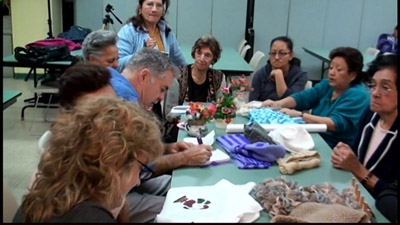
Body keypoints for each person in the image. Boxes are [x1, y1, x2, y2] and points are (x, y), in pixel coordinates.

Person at [13, 97, 165, 222]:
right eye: (139, 169)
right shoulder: (90, 217)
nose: (137, 181)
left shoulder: (47, 193)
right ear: (115, 163)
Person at [262, 47, 370, 148]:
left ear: (353, 75)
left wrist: (301, 115)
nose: (332, 72)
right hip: (315, 137)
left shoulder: (358, 95)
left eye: (339, 70)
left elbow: (334, 124)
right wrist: (278, 104)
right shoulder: (327, 85)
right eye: (331, 67)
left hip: (334, 147)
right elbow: (304, 97)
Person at [330, 54, 398, 201]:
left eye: (385, 88)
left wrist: (358, 170)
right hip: (355, 194)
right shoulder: (370, 115)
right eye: (373, 85)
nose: (375, 93)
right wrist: (343, 156)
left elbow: (392, 199)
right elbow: (355, 155)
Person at [117, 0, 186, 72]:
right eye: (150, 4)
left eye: (159, 5)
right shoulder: (128, 30)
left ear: (163, 10)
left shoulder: (166, 31)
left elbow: (180, 62)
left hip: (160, 80)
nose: (154, 9)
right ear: (140, 8)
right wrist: (142, 54)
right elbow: (118, 64)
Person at [249, 36, 308, 101]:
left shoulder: (300, 76)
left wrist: (278, 75)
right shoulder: (261, 74)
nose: (276, 57)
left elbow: (291, 102)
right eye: (273, 53)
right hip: (263, 109)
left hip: (288, 110)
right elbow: (252, 101)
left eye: (282, 53)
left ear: (291, 56)